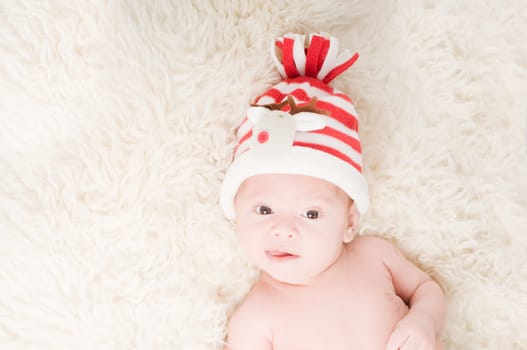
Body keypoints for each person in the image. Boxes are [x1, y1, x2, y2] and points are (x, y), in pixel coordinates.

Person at [219, 33, 446, 350]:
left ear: (349, 222)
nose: (283, 230)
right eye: (264, 209)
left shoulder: (374, 256)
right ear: (236, 214)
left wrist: (423, 321)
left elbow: (426, 288)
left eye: (311, 213)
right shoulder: (254, 320)